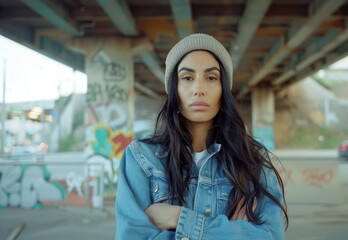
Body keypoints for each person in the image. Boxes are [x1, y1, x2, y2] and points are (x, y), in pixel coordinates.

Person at [115, 33, 288, 239]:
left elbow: (271, 236)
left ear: (223, 89)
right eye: (187, 78)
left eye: (211, 78)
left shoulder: (253, 160)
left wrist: (180, 218)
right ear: (174, 89)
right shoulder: (141, 158)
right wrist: (231, 232)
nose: (199, 89)